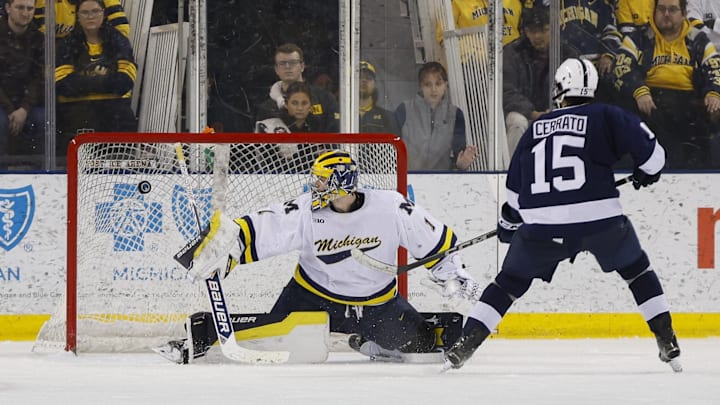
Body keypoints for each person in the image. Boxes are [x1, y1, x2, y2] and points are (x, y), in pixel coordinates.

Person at [443, 58, 682, 373]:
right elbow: (654, 157)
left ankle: (466, 343)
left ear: (558, 90)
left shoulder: (536, 128)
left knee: (508, 284)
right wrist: (645, 173)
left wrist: (508, 225)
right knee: (636, 271)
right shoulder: (607, 114)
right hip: (599, 218)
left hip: (542, 224)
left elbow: (514, 194)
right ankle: (667, 339)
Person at [156, 150, 476, 364]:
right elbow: (267, 227)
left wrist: (454, 275)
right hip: (310, 296)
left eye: (322, 179)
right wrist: (228, 247)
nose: (316, 185)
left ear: (341, 181)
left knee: (420, 345)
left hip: (377, 303)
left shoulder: (390, 207)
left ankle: (368, 341)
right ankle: (200, 340)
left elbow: (433, 239)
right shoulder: (308, 210)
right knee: (272, 340)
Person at [613, 0, 720, 169]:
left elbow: (714, 66)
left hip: (690, 104)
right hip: (650, 103)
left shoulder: (697, 38)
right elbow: (620, 66)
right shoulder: (639, 37)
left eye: (672, 10)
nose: (666, 14)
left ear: (683, 13)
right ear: (654, 11)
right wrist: (639, 91)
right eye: (661, 9)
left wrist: (713, 93)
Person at [54, 0, 137, 159]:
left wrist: (85, 79)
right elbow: (63, 85)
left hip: (114, 109)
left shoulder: (119, 41)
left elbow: (125, 82)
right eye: (85, 12)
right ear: (77, 16)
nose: (90, 16)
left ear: (104, 14)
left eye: (95, 11)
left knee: (122, 118)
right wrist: (105, 80)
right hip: (78, 109)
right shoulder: (67, 44)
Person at [502, 5, 578, 156]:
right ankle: (512, 174)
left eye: (543, 30)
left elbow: (575, 91)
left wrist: (557, 109)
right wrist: (532, 112)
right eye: (532, 31)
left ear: (554, 29)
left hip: (557, 112)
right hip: (523, 113)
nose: (537, 36)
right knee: (517, 122)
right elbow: (507, 90)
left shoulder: (568, 54)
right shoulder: (512, 51)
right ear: (525, 32)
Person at [395, 62, 478, 171]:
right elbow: (391, 149)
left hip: (442, 182)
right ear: (420, 86)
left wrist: (462, 164)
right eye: (428, 84)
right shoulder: (404, 109)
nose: (433, 89)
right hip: (408, 180)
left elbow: (458, 156)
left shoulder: (455, 114)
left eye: (438, 84)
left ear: (445, 85)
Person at [255, 43, 340, 133]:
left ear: (302, 66)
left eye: (293, 62)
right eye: (282, 63)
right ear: (276, 69)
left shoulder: (325, 98)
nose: (287, 67)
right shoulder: (267, 108)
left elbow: (335, 136)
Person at [0, 0, 44, 167]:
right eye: (20, 7)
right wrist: (11, 109)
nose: (25, 13)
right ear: (8, 8)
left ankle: (40, 176)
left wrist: (24, 108)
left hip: (28, 103)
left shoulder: (39, 38)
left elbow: (38, 78)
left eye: (30, 8)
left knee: (43, 120)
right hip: (3, 103)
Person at [34, 0, 129, 38]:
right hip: (57, 56)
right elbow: (41, 39)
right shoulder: (45, 2)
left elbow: (122, 30)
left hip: (96, 51)